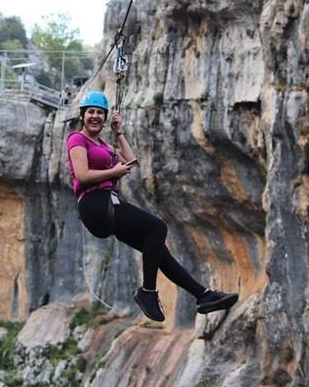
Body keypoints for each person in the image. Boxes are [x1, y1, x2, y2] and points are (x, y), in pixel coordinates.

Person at [65, 91, 239, 321]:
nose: (95, 116)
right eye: (91, 112)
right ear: (82, 115)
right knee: (157, 228)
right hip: (94, 202)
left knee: (157, 250)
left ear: (105, 117)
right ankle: (148, 291)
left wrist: (119, 133)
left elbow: (131, 162)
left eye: (100, 113)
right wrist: (113, 172)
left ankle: (203, 295)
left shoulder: (104, 145)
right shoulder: (77, 139)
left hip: (106, 204)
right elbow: (82, 175)